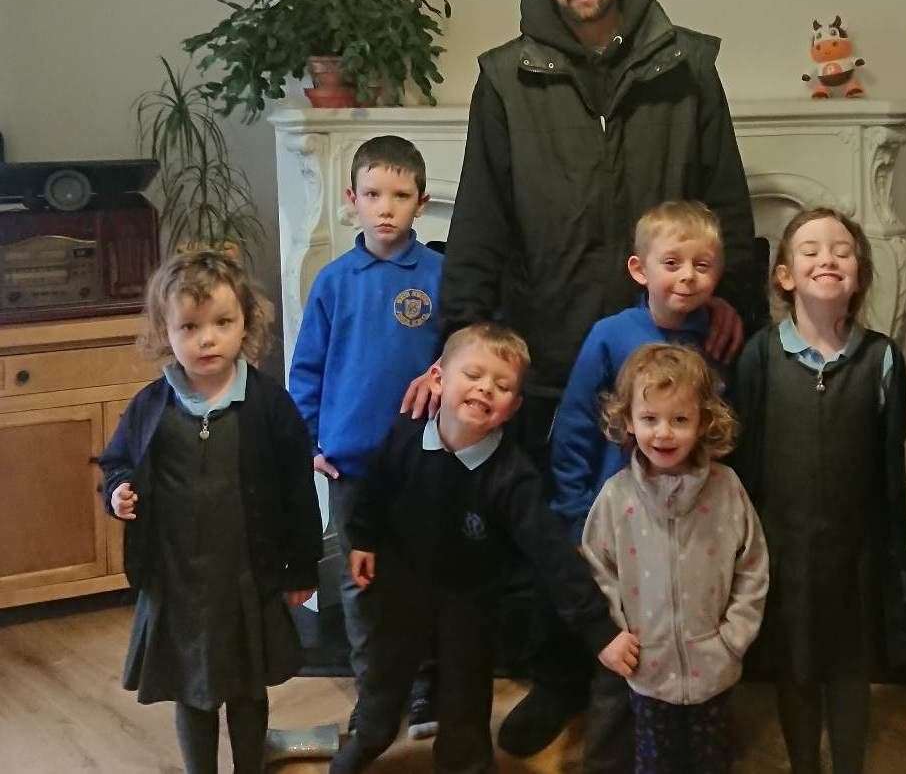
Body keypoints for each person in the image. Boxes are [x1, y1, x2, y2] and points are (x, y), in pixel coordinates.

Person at [407, 0, 765, 756]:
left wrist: (733, 301)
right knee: (566, 529)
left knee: (671, 526)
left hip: (666, 353)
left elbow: (728, 200)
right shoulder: (503, 78)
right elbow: (481, 222)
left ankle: (686, 681)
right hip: (554, 345)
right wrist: (459, 342)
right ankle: (568, 674)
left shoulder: (688, 67)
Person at [329, 323, 640, 774]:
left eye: (501, 385)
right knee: (382, 686)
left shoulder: (513, 478)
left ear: (513, 407)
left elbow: (554, 557)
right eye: (473, 375)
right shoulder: (405, 433)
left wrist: (601, 632)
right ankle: (369, 739)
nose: (484, 389)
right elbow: (372, 487)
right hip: (400, 593)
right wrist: (362, 539)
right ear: (438, 379)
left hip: (470, 608)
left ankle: (466, 762)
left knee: (465, 705)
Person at [99, 250, 322, 774]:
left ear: (246, 324)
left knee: (248, 688)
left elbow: (296, 488)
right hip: (178, 581)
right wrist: (118, 491)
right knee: (192, 690)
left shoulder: (269, 405)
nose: (207, 339)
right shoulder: (151, 406)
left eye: (223, 323)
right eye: (191, 326)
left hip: (248, 576)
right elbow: (117, 463)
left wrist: (302, 564)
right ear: (165, 332)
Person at [732, 208, 906, 774]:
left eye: (841, 250)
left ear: (858, 276)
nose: (827, 258)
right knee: (797, 665)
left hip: (856, 552)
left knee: (849, 668)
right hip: (782, 548)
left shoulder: (882, 359)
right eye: (810, 249)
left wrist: (896, 559)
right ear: (785, 275)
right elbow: (746, 459)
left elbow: (890, 471)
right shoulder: (761, 355)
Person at [288, 135, 443, 739]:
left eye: (400, 196)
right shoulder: (333, 281)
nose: (386, 208)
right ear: (350, 198)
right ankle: (376, 694)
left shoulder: (438, 274)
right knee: (361, 583)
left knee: (424, 573)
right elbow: (308, 370)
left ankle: (428, 686)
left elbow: (458, 354)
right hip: (351, 464)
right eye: (373, 194)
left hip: (425, 458)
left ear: (420, 203)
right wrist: (311, 443)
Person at [581, 342, 768, 773]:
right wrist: (614, 635)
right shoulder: (616, 498)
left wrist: (733, 638)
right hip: (647, 669)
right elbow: (596, 570)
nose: (663, 433)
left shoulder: (727, 489)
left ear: (703, 421)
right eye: (650, 419)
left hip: (715, 666)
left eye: (680, 419)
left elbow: (752, 565)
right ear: (628, 420)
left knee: (712, 762)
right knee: (655, 763)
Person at [550, 200, 725, 542]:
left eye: (702, 265)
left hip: (694, 522)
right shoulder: (609, 335)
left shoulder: (718, 340)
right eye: (672, 263)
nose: (688, 275)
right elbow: (575, 428)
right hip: (614, 516)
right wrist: (576, 516)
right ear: (640, 269)